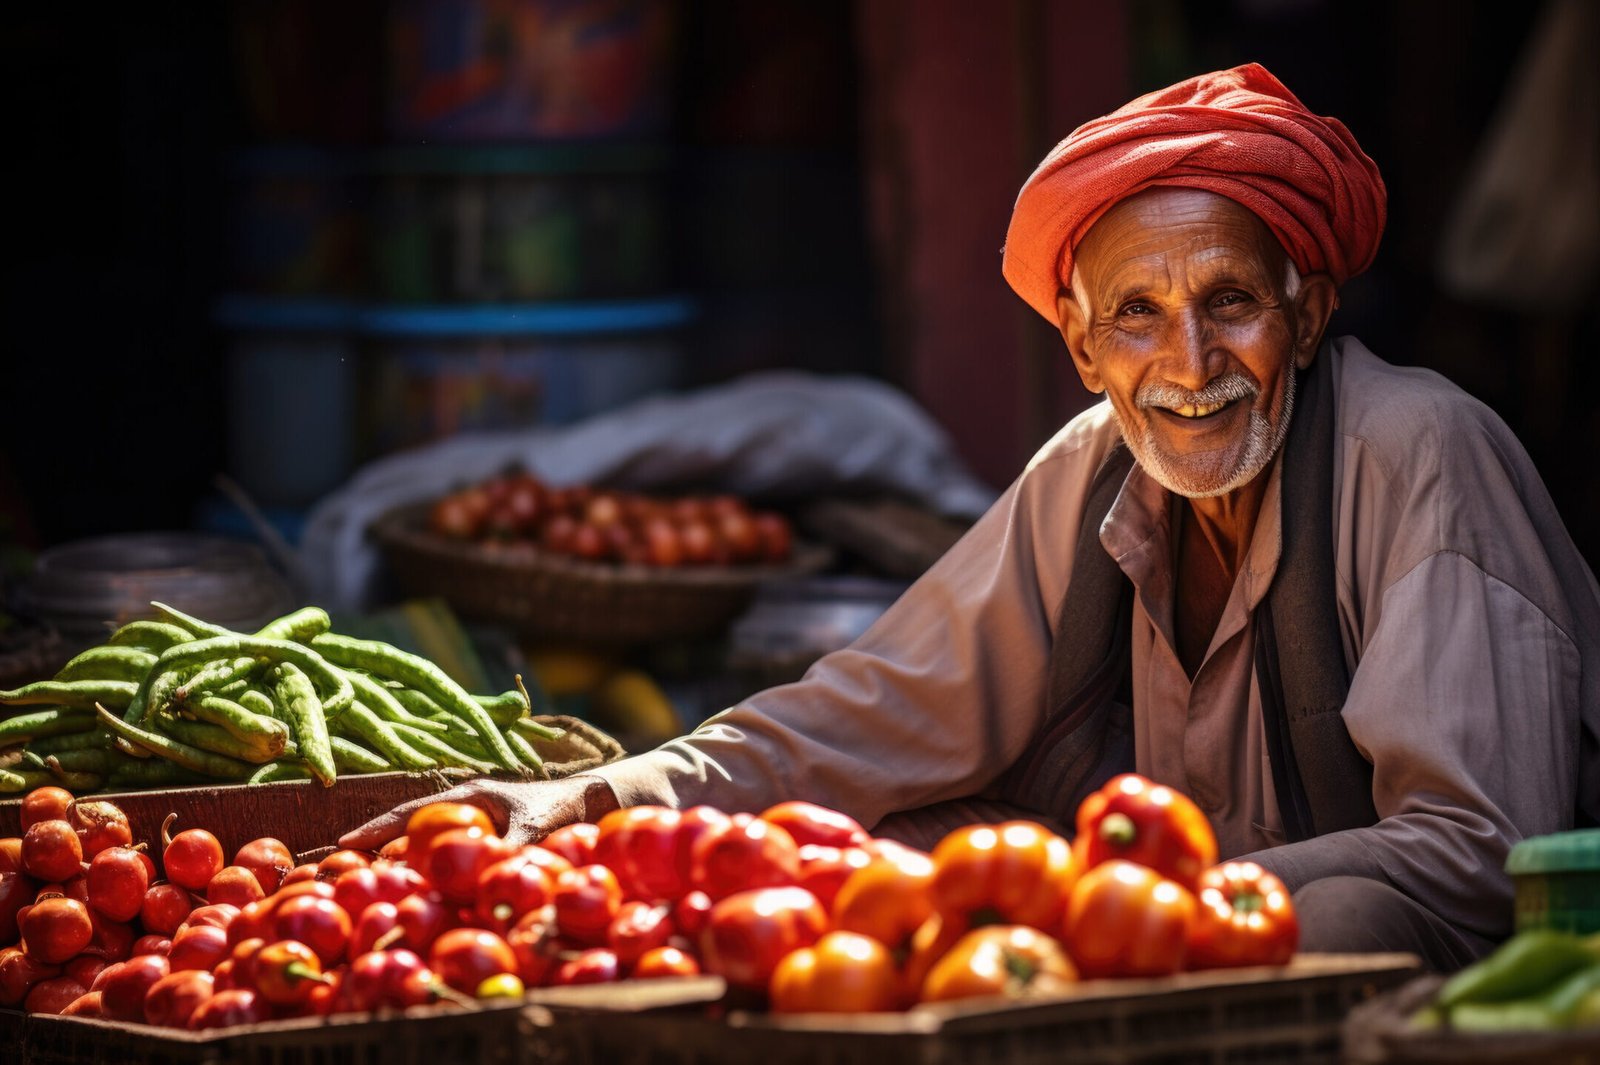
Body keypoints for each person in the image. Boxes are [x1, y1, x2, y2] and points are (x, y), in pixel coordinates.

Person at [344, 64, 1600, 972]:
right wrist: (621, 796)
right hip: (1160, 918)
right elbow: (877, 710)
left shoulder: (1418, 450)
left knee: (1343, 926)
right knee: (862, 848)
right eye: (1135, 317)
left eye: (1232, 302)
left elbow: (1476, 857)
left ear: (1309, 316)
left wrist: (1151, 908)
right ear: (1080, 348)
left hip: (1398, 952)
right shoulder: (1097, 467)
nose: (1189, 360)